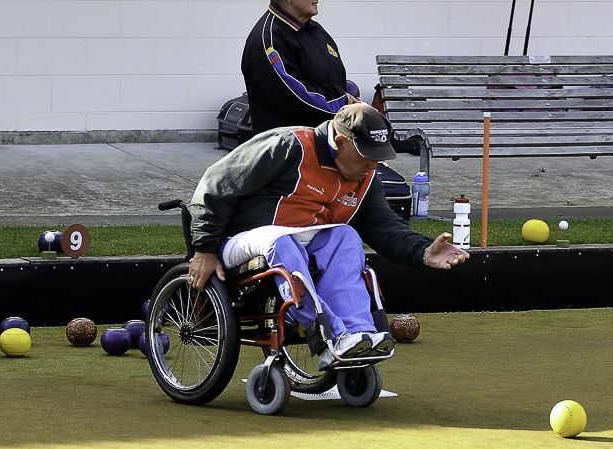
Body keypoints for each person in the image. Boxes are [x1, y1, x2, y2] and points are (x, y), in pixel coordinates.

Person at [187, 103, 469, 370]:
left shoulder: (367, 178)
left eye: (378, 155)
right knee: (280, 239)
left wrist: (423, 251)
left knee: (346, 235)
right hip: (240, 242)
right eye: (366, 154)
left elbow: (385, 227)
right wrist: (205, 250)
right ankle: (329, 335)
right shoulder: (288, 145)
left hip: (299, 247)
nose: (373, 165)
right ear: (339, 141)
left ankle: (358, 335)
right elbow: (215, 184)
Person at [241, 0, 359, 135]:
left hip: (326, 138)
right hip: (289, 143)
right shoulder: (270, 37)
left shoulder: (314, 29)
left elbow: (328, 79)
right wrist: (342, 102)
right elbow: (292, 95)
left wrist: (351, 101)